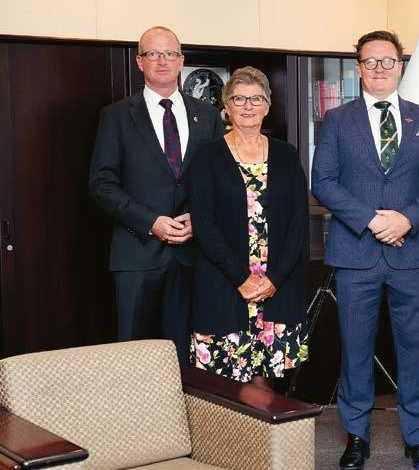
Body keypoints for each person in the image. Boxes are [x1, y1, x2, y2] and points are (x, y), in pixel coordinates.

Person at [311, 30, 419, 469]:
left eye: (387, 61)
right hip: (356, 254)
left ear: (400, 66)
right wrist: (372, 221)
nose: (379, 68)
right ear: (358, 68)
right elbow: (323, 182)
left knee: (413, 349)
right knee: (355, 350)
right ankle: (357, 436)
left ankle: (416, 436)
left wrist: (406, 219)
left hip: (411, 254)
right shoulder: (338, 119)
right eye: (370, 61)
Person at [89, 26, 224, 363]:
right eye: (153, 54)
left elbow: (220, 181)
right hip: (137, 256)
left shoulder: (208, 116)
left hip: (192, 256)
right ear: (139, 61)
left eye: (170, 54)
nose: (162, 61)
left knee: (187, 358)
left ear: (181, 60)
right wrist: (151, 222)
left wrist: (198, 220)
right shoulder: (116, 116)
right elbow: (101, 184)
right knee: (134, 358)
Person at [188, 66, 308, 389]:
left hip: (276, 285)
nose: (248, 106)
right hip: (226, 282)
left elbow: (298, 223)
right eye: (239, 99)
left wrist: (274, 279)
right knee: (226, 384)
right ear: (226, 107)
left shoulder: (287, 155)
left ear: (267, 106)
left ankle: (264, 426)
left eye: (256, 99)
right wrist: (241, 279)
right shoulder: (207, 156)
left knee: (266, 382)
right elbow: (204, 224)